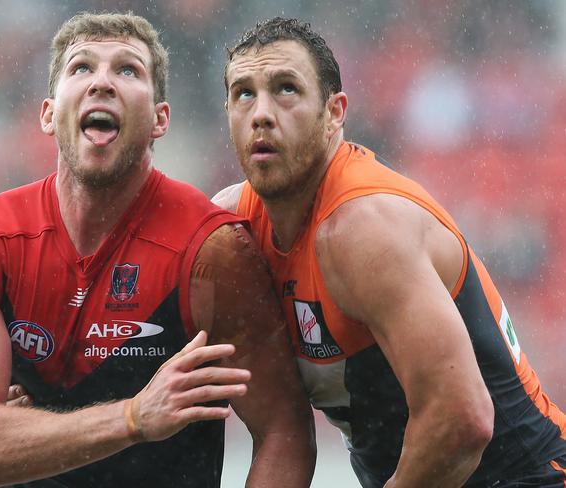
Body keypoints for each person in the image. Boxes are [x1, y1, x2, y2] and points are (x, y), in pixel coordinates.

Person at [0, 12, 315, 488]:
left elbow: (285, 431)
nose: (102, 83)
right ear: (49, 114)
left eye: (128, 70)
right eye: (81, 68)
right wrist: (134, 417)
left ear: (160, 119)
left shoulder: (212, 250)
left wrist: (18, 430)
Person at [214, 17, 566, 488]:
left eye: (285, 89)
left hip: (527, 477)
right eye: (244, 93)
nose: (261, 112)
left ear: (335, 112)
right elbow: (284, 430)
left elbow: (462, 421)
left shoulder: (362, 226)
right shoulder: (232, 228)